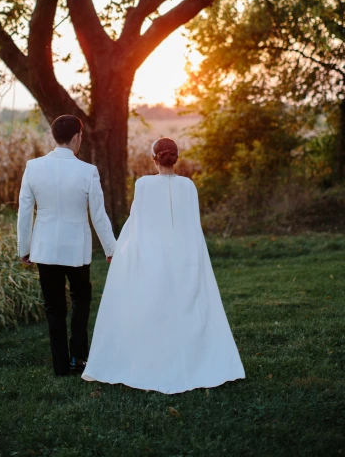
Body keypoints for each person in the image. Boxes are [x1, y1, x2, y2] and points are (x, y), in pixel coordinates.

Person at [82, 137, 245, 394]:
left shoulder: (143, 184)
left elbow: (137, 224)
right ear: (176, 158)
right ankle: (192, 359)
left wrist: (119, 251)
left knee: (154, 306)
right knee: (186, 307)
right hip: (185, 255)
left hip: (153, 255)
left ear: (154, 158)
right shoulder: (189, 186)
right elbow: (193, 226)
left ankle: (154, 360)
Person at [17, 114, 116, 376]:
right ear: (76, 137)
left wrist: (24, 248)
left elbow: (24, 211)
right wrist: (111, 249)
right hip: (76, 249)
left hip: (45, 247)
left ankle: (60, 364)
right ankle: (79, 358)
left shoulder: (33, 167)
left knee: (54, 306)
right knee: (81, 298)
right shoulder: (87, 171)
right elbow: (98, 214)